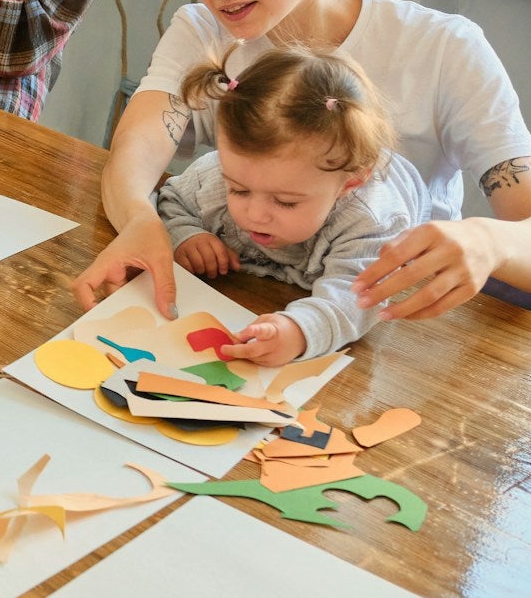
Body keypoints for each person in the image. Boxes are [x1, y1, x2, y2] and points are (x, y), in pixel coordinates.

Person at [75, 0, 531, 321]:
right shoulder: (202, 32)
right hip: (244, 299)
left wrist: (488, 241)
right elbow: (135, 151)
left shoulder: (443, 47)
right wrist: (138, 218)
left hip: (387, 317)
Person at [156, 48, 428, 363]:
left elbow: (356, 299)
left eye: (285, 202)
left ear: (349, 183)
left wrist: (298, 330)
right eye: (239, 191)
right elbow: (171, 199)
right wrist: (185, 233)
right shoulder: (221, 174)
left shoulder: (372, 222)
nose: (254, 215)